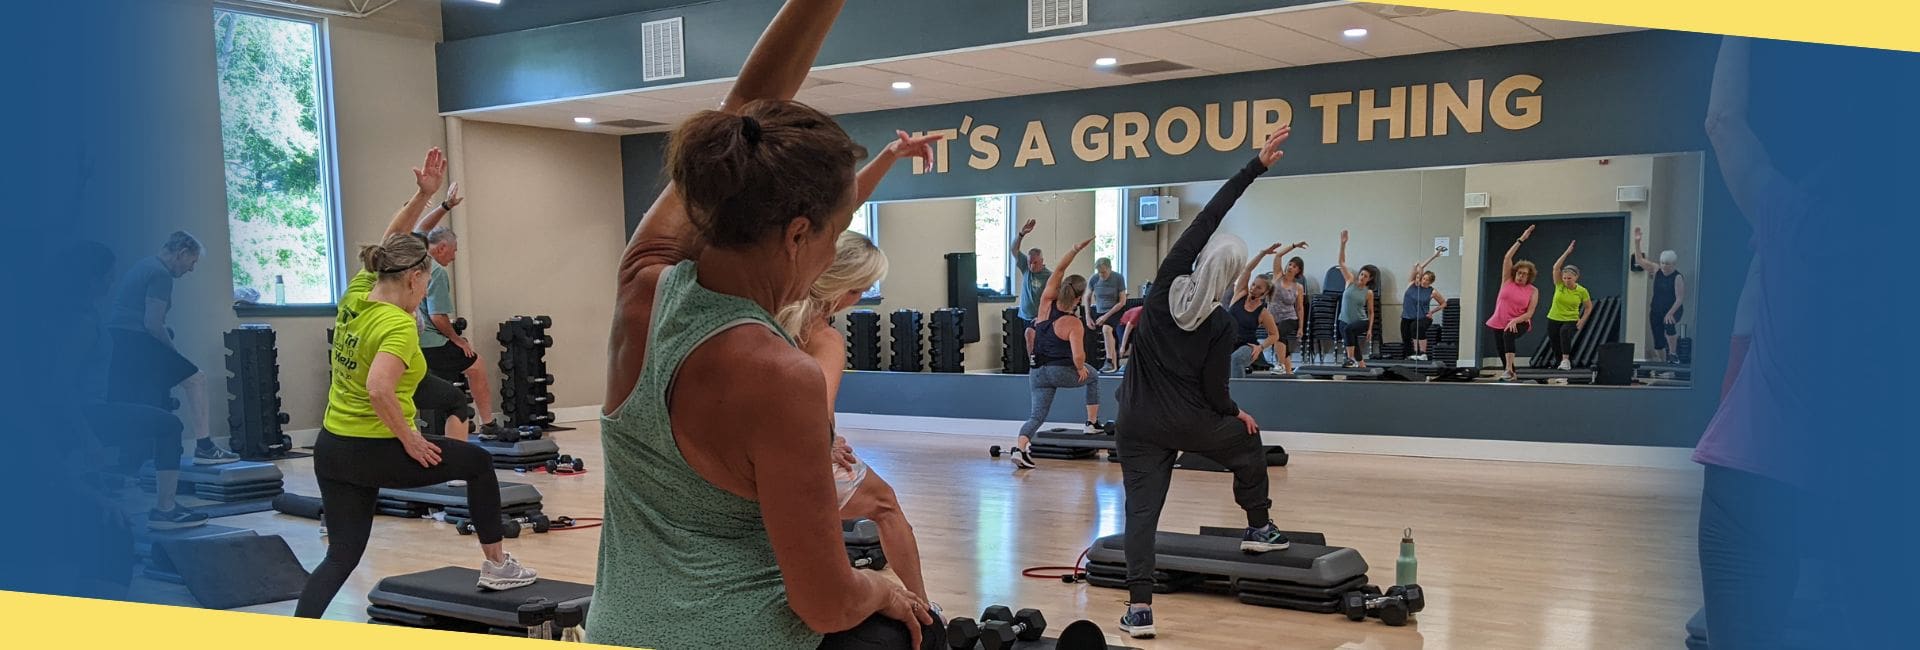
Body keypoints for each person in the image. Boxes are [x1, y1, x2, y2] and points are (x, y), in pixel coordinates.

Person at [591, 2, 936, 647]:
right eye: (834, 236)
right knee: (900, 633)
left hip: (617, 628)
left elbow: (744, 106)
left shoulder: (641, 287)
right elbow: (827, 602)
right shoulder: (780, 374)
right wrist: (883, 586)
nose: (834, 256)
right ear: (799, 234)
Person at [295, 148, 538, 619]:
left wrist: (426, 196)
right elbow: (380, 388)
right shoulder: (398, 324)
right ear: (412, 279)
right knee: (478, 463)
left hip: (332, 448)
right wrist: (409, 439)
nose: (427, 291)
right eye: (427, 282)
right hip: (376, 447)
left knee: (341, 556)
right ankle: (496, 565)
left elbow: (394, 237)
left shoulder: (359, 292)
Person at [1116, 126, 1294, 640]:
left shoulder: (1163, 286)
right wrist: (1234, 416)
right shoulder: (1221, 323)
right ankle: (1258, 526)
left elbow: (1208, 215)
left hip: (1138, 424)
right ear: (1232, 275)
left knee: (1142, 515)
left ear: (1203, 262)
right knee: (1248, 443)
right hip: (1191, 423)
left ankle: (1141, 610)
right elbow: (1217, 393)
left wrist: (1253, 166)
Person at [777, 131, 939, 604]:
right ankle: (925, 607)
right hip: (799, 458)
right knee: (887, 506)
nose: (861, 298)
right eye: (860, 288)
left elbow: (834, 217)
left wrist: (889, 155)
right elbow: (816, 408)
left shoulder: (772, 304)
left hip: (750, 449)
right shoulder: (824, 337)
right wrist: (827, 441)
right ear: (840, 282)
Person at [61, 242, 205, 530]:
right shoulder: (81, 323)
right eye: (108, 276)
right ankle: (166, 510)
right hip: (85, 416)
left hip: (91, 411)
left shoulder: (85, 313)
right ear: (92, 279)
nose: (113, 281)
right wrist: (88, 438)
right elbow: (60, 388)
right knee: (169, 425)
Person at [104, 231, 239, 465]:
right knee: (196, 378)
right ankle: (205, 447)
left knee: (141, 399)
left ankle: (131, 461)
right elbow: (153, 324)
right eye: (192, 262)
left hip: (122, 342)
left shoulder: (143, 266)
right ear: (182, 253)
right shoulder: (160, 274)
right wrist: (174, 355)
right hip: (138, 341)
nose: (191, 269)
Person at [409, 183, 510, 437]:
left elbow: (420, 229)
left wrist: (445, 206)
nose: (453, 257)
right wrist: (457, 339)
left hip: (412, 343)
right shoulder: (437, 271)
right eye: (453, 252)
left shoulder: (412, 260)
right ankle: (488, 425)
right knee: (475, 366)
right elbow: (437, 316)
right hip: (431, 342)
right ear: (442, 248)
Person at [1007, 238, 1103, 470]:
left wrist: (1074, 248)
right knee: (1095, 376)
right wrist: (1080, 369)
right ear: (1079, 299)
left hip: (1037, 373)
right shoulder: (1073, 323)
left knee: (1037, 416)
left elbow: (1059, 270)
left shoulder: (1045, 304)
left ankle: (1020, 448)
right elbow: (1078, 357)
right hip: (1060, 372)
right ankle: (1091, 423)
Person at [1229, 243, 1301, 377]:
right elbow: (1247, 270)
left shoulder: (1263, 313)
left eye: (1258, 288)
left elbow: (1275, 335)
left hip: (1247, 346)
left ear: (1266, 292)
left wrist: (1260, 347)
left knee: (1236, 360)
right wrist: (1262, 253)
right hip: (1226, 341)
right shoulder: (1240, 294)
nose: (1253, 288)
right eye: (1253, 285)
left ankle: (1238, 392)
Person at [1486, 225, 1540, 382]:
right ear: (1515, 273)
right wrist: (1521, 239)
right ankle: (1512, 373)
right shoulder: (1507, 281)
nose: (1521, 276)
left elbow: (1530, 313)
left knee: (1508, 334)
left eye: (1525, 274)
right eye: (1519, 273)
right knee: (1501, 349)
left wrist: (1515, 320)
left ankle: (1509, 370)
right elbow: (1507, 258)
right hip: (1499, 320)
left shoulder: (1533, 290)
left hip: (1520, 321)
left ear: (1529, 277)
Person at [1633, 226, 1688, 363]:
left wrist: (1670, 313)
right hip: (1657, 309)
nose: (1664, 266)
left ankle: (1673, 354)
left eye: (1667, 264)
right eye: (1663, 263)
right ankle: (1663, 363)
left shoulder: (1677, 277)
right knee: (1658, 338)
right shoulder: (1656, 269)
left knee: (1669, 324)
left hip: (1674, 308)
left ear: (1673, 264)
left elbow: (1680, 298)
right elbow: (1639, 260)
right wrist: (1637, 242)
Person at [1546, 241, 1593, 371]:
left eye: (1569, 278)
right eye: (1565, 278)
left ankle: (1566, 360)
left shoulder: (1582, 291)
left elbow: (1589, 307)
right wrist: (1567, 252)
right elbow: (1556, 267)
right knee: (1555, 341)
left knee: (1564, 332)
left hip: (1571, 318)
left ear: (1576, 277)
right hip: (1554, 317)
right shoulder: (1559, 285)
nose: (1566, 280)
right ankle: (1558, 362)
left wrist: (1582, 320)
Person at [1333, 231, 1376, 368]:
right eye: (1362, 274)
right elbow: (1341, 262)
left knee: (1349, 331)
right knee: (1353, 342)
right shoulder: (1350, 281)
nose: (1362, 277)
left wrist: (1369, 329)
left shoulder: (1368, 292)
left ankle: (1350, 359)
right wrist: (1343, 243)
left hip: (1361, 321)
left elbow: (1371, 312)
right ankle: (1362, 365)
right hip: (1344, 321)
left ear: (1369, 279)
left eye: (1366, 276)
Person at [1264, 254, 1309, 374]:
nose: (1290, 267)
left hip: (1290, 318)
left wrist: (1300, 327)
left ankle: (1280, 364)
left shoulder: (1298, 287)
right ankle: (1289, 373)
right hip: (1272, 318)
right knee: (1283, 344)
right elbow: (1278, 256)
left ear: (1298, 270)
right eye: (1290, 264)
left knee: (1279, 333)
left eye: (1294, 266)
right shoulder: (1277, 276)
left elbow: (1300, 308)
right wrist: (1294, 246)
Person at [1401, 246, 1447, 362]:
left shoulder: (1432, 291)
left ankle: (1422, 353)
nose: (1424, 280)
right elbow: (1421, 267)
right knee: (1406, 336)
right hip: (1407, 316)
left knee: (1416, 327)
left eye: (1427, 279)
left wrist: (1432, 311)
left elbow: (1443, 303)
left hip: (1423, 317)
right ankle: (1411, 356)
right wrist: (1434, 256)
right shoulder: (1412, 284)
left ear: (1431, 282)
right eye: (1423, 278)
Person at [1011, 220, 1050, 355]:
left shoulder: (1049, 276)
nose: (1032, 266)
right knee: (1030, 341)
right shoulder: (1026, 269)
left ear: (1041, 261)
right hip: (1025, 316)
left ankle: (1039, 366)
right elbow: (1014, 250)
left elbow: (1053, 299)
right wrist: (1021, 234)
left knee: (1036, 340)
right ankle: (1033, 367)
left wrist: (1043, 315)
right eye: (1029, 262)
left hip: (1040, 317)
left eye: (1035, 263)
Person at [1086, 257, 1128, 372]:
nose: (1101, 275)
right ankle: (1113, 365)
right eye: (1099, 272)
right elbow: (1087, 297)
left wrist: (1105, 317)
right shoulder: (1094, 279)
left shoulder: (1118, 278)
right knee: (1096, 330)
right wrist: (1088, 316)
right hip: (1100, 311)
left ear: (1110, 269)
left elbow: (1122, 302)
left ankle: (1109, 361)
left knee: (1106, 329)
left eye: (1104, 272)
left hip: (1115, 310)